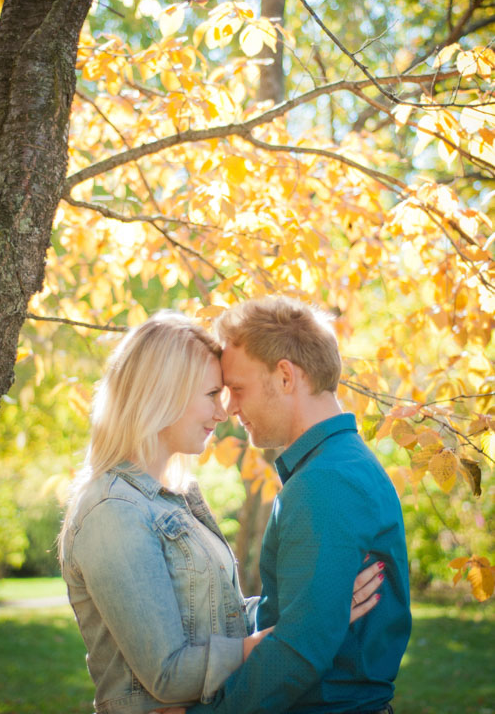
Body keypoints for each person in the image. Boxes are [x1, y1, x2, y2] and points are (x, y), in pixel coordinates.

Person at [58, 310, 384, 714]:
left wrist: (316, 604)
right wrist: (301, 632)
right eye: (213, 394)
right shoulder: (114, 511)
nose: (223, 411)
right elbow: (168, 674)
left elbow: (216, 616)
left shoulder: (172, 498)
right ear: (163, 393)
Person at [179, 296, 412, 714]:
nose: (228, 407)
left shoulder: (325, 482)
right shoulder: (338, 464)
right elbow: (299, 624)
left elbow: (298, 652)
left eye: (237, 388)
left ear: (285, 376)